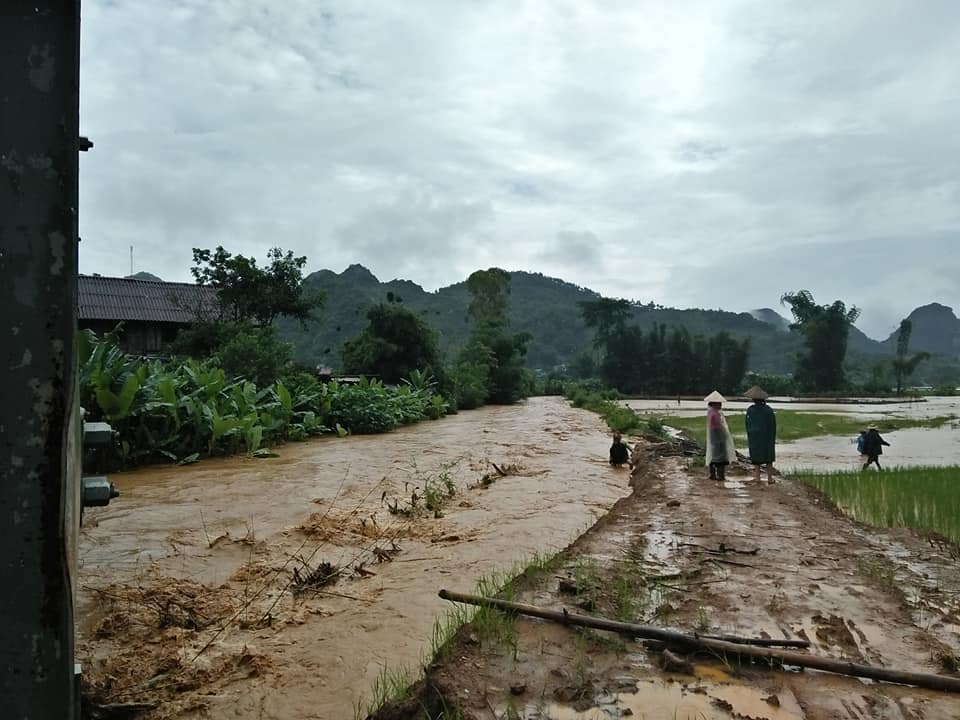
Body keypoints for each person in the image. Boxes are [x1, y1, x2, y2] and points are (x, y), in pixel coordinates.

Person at [744, 385, 776, 484]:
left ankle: (757, 477)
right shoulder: (768, 410)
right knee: (768, 457)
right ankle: (770, 478)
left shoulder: (750, 410)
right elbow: (773, 425)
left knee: (756, 457)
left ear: (753, 399)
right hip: (767, 437)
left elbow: (747, 423)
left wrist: (750, 433)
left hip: (754, 437)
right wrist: (772, 437)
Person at [704, 390, 736, 481]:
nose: (721, 405)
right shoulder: (715, 413)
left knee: (713, 455)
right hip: (718, 436)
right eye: (719, 403)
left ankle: (713, 474)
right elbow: (719, 426)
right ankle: (720, 476)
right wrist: (725, 435)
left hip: (713, 436)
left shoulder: (710, 412)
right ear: (715, 403)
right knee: (720, 456)